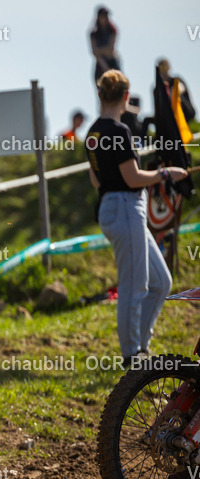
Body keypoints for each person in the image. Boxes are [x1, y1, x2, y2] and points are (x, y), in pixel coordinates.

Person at [86, 71, 187, 363]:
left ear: (100, 94)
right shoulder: (120, 131)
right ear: (126, 97)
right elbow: (132, 178)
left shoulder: (93, 133)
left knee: (160, 281)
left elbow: (95, 179)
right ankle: (132, 356)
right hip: (126, 208)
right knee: (135, 285)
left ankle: (141, 347)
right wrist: (166, 173)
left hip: (114, 207)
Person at [157, 58, 195, 123]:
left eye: (165, 67)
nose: (163, 71)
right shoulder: (158, 87)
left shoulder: (176, 80)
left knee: (176, 96)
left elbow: (181, 88)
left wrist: (173, 92)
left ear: (169, 68)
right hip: (168, 115)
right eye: (161, 68)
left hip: (185, 112)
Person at [89, 7, 120, 84]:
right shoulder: (94, 33)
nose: (104, 18)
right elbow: (94, 52)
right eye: (102, 16)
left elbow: (110, 49)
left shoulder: (112, 30)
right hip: (100, 65)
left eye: (106, 16)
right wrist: (105, 66)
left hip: (112, 63)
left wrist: (99, 50)